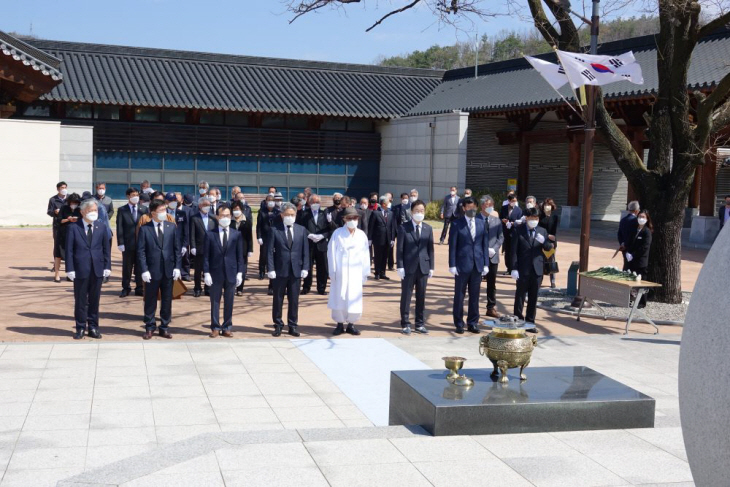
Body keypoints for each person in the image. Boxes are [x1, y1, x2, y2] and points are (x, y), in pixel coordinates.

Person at [66, 198, 111, 339]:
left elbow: (106, 249)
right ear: (82, 212)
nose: (94, 213)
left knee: (94, 300)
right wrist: (70, 269)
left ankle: (93, 327)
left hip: (97, 268)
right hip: (80, 269)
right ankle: (80, 327)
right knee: (80, 300)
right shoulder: (73, 227)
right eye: (90, 210)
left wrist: (107, 266)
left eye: (95, 210)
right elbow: (69, 250)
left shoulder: (101, 226)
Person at [137, 199, 182, 339]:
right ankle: (150, 326)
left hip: (168, 270)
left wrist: (177, 267)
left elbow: (177, 249)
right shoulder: (145, 228)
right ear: (153, 213)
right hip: (151, 271)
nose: (164, 213)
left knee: (167, 299)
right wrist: (144, 270)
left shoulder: (171, 227)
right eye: (161, 211)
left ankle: (164, 326)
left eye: (165, 209)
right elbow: (141, 251)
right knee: (150, 299)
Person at [267, 202, 310, 337]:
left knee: (294, 299)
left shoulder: (301, 230)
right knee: (278, 299)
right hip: (280, 270)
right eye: (287, 215)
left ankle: (292, 325)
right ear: (282, 215)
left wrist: (305, 267)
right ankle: (278, 324)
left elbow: (305, 251)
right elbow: (269, 252)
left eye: (292, 215)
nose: (290, 217)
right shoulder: (275, 229)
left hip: (296, 270)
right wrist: (271, 268)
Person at [449, 197, 490, 334]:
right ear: (464, 208)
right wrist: (452, 264)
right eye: (468, 208)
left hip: (477, 265)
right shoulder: (456, 224)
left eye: (473, 208)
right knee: (459, 295)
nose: (471, 210)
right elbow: (453, 246)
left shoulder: (481, 223)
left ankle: (472, 323)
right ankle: (459, 323)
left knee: (475, 296)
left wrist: (486, 264)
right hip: (461, 265)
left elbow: (484, 245)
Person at [328, 207, 370, 336]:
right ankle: (339, 323)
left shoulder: (361, 235)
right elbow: (331, 253)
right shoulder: (337, 233)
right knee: (339, 296)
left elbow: (365, 254)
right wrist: (333, 271)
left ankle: (351, 324)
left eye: (355, 218)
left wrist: (365, 272)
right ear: (344, 219)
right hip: (340, 271)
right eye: (349, 218)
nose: (352, 221)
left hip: (356, 272)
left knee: (354, 297)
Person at [204, 206, 244, 337]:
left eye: (227, 215)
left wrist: (240, 272)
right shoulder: (210, 234)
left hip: (231, 272)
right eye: (222, 215)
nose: (225, 218)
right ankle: (215, 327)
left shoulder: (236, 234)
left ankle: (227, 326)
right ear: (217, 217)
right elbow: (206, 256)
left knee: (229, 301)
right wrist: (206, 272)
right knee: (215, 301)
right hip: (215, 272)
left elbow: (240, 256)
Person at [511, 207, 554, 328]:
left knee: (533, 297)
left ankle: (530, 322)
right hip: (522, 268)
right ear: (526, 218)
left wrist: (544, 241)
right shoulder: (518, 230)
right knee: (520, 296)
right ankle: (518, 320)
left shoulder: (542, 231)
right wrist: (514, 268)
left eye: (536, 218)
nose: (534, 220)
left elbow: (548, 249)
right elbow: (513, 251)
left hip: (537, 269)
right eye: (531, 218)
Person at [397, 200, 434, 335]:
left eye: (422, 211)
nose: (419, 213)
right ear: (411, 212)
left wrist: (431, 267)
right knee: (406, 296)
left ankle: (419, 323)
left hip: (423, 267)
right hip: (408, 267)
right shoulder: (403, 227)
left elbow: (431, 249)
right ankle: (405, 323)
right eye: (417, 211)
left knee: (421, 296)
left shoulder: (428, 228)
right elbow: (400, 249)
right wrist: (400, 266)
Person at [477, 195, 504, 318]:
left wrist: (494, 249)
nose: (490, 207)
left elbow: (501, 237)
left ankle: (491, 307)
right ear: (482, 206)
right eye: (488, 205)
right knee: (475, 282)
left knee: (491, 283)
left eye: (492, 205)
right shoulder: (475, 219)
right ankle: (474, 307)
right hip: (478, 256)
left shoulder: (496, 220)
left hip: (493, 256)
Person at [116, 188, 147, 296]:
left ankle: (139, 288)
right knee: (127, 267)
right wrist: (120, 242)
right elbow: (119, 227)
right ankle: (126, 287)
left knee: (140, 266)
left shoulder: (144, 209)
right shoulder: (122, 210)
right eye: (133, 195)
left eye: (137, 195)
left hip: (141, 243)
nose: (136, 197)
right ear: (128, 196)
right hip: (128, 243)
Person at [300, 194, 331, 295]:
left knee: (322, 267)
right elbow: (301, 227)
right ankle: (306, 287)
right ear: (309, 202)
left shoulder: (324, 214)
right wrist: (309, 235)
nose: (315, 204)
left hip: (321, 244)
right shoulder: (304, 214)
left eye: (317, 202)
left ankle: (321, 287)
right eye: (313, 202)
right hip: (309, 243)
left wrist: (322, 236)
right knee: (307, 266)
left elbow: (329, 229)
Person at [190, 197, 218, 297]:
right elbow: (192, 234)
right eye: (205, 205)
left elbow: (216, 233)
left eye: (208, 205)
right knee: (198, 270)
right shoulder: (194, 218)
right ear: (200, 206)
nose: (207, 207)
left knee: (209, 269)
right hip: (199, 247)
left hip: (211, 248)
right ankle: (197, 288)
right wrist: (192, 246)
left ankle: (208, 288)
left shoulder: (213, 218)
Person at [626, 210, 653, 307]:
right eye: (639, 216)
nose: (641, 218)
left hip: (641, 261)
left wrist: (634, 254)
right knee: (631, 280)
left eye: (643, 217)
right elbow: (630, 242)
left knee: (641, 282)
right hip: (631, 260)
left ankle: (642, 302)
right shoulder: (634, 229)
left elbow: (644, 247)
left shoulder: (647, 232)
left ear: (647, 219)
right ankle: (630, 299)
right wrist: (628, 252)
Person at [230, 200, 254, 296]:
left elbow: (249, 237)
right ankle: (231, 287)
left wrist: (250, 249)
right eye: (234, 209)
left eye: (238, 209)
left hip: (243, 249)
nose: (236, 211)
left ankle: (240, 289)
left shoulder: (247, 221)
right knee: (231, 269)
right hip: (231, 249)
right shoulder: (229, 221)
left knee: (242, 269)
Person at [369, 195, 396, 280]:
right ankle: (377, 272)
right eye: (387, 202)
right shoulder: (375, 213)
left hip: (387, 239)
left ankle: (382, 273)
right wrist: (370, 238)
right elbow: (371, 226)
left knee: (385, 256)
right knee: (378, 256)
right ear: (383, 204)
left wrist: (392, 239)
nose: (389, 203)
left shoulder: (391, 213)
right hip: (378, 239)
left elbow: (392, 227)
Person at [256, 193, 280, 290]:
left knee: (273, 255)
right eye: (268, 201)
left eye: (272, 201)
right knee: (263, 255)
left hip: (274, 236)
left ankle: (270, 270)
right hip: (265, 236)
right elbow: (259, 225)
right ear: (266, 202)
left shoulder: (277, 212)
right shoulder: (262, 211)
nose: (270, 202)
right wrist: (259, 237)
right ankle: (261, 271)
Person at [58, 193, 82, 281]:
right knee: (67, 254)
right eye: (72, 202)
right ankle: (69, 273)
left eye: (76, 202)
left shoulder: (80, 209)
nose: (74, 204)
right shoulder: (64, 208)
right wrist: (68, 219)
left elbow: (83, 220)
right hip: (65, 232)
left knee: (77, 253)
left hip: (77, 233)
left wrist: (77, 219)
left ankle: (76, 272)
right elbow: (59, 220)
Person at [48, 181, 68, 282]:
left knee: (69, 246)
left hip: (68, 225)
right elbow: (49, 212)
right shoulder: (53, 199)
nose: (63, 189)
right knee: (57, 246)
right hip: (58, 226)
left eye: (65, 187)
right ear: (58, 189)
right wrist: (54, 212)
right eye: (62, 188)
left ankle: (69, 270)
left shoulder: (69, 199)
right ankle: (56, 266)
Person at [539, 198, 560, 288]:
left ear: (552, 207)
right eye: (545, 205)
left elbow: (554, 232)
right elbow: (539, 229)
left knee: (551, 260)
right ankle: (540, 280)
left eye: (549, 205)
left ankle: (553, 280)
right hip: (541, 240)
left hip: (551, 242)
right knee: (541, 260)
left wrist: (552, 239)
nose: (547, 207)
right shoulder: (540, 216)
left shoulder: (555, 217)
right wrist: (547, 235)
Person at [500, 194, 523, 274]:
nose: (514, 202)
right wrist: (503, 220)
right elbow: (500, 218)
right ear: (509, 201)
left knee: (514, 251)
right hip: (506, 232)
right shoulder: (504, 208)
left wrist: (513, 223)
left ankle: (514, 267)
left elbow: (520, 221)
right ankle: (508, 268)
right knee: (507, 250)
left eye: (515, 201)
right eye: (512, 201)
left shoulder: (519, 210)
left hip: (514, 232)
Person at [618, 200, 640, 271]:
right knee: (632, 267)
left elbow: (619, 234)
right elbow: (633, 235)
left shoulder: (623, 220)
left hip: (624, 247)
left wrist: (622, 244)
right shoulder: (636, 221)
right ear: (636, 211)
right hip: (632, 248)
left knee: (626, 264)